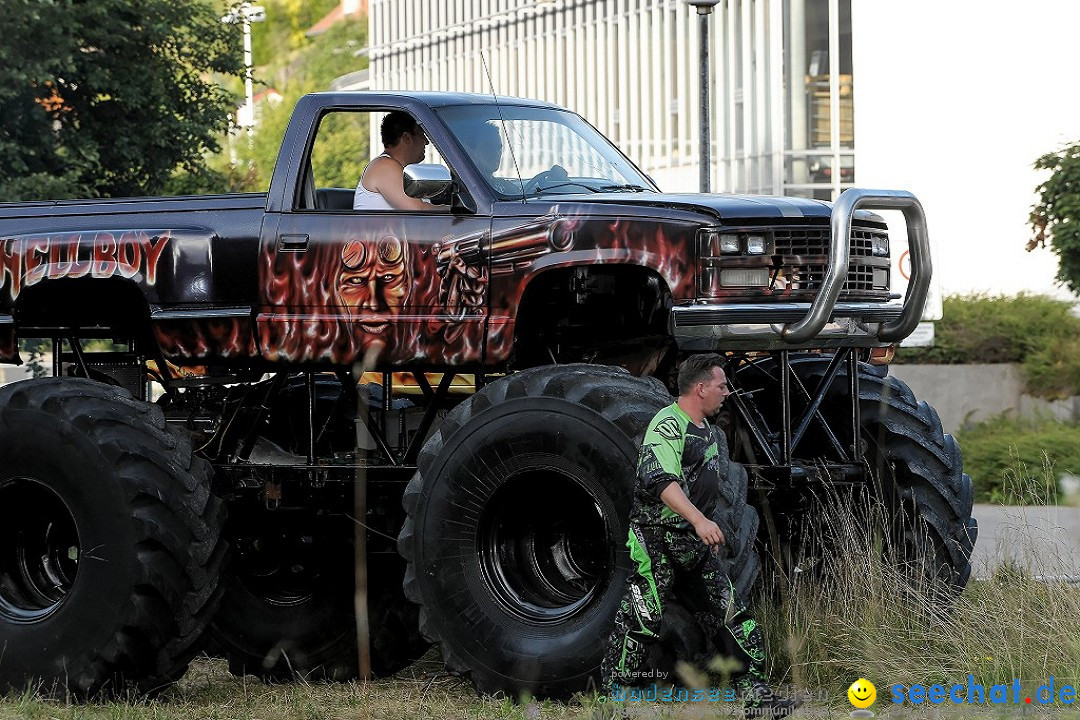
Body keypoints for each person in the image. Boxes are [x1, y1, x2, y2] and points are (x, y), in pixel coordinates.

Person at [601, 353, 799, 716]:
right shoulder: (667, 425)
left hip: (691, 543)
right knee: (643, 618)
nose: (727, 391)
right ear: (702, 387)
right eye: (722, 385)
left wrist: (703, 524)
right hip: (654, 538)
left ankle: (758, 699)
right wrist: (700, 520)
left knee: (732, 614)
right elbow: (661, 481)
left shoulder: (710, 432)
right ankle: (615, 702)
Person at [354, 111, 447, 212]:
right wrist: (458, 211)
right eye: (421, 134)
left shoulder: (393, 167)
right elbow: (418, 210)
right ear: (407, 138)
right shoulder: (384, 166)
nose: (426, 141)